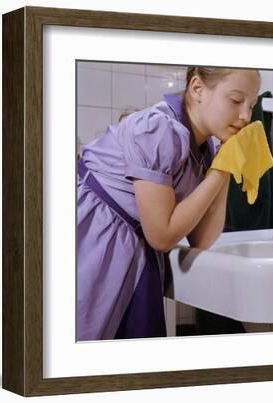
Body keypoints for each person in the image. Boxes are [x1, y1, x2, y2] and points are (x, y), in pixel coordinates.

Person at [76, 66, 261, 341]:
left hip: (136, 249)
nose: (245, 116)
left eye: (251, 105)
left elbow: (202, 239)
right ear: (197, 88)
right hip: (98, 237)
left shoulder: (206, 148)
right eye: (235, 101)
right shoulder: (159, 128)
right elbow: (162, 236)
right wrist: (222, 170)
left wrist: (224, 163)